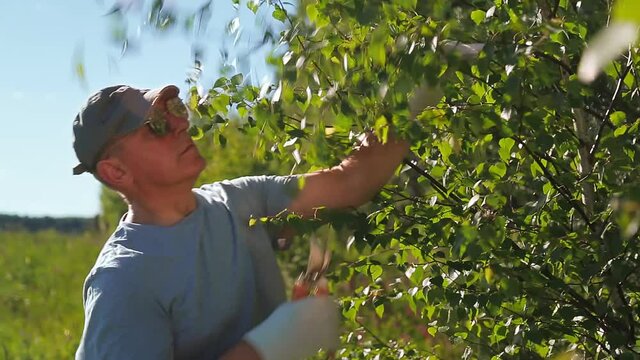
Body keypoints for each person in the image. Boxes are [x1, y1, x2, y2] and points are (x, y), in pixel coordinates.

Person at [72, 84, 409, 360]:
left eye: (174, 110)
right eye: (155, 126)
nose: (181, 125)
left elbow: (352, 182)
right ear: (116, 171)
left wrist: (412, 93)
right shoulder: (123, 283)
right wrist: (268, 347)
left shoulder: (239, 202)